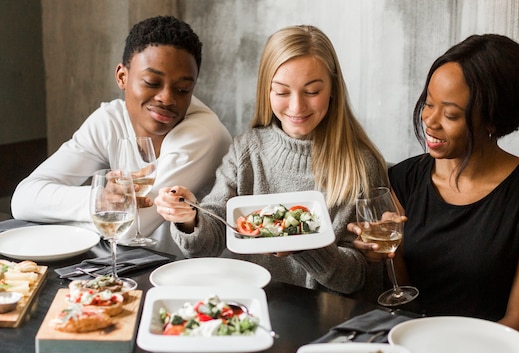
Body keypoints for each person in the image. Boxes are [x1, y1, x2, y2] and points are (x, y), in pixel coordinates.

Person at [351, 34, 519, 336]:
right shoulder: (402, 180)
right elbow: (401, 301)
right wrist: (389, 252)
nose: (430, 120)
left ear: (493, 120)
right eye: (428, 104)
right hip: (406, 340)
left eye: (451, 114)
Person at [154, 25, 388, 297]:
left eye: (312, 91)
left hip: (324, 318)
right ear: (267, 90)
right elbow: (208, 242)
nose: (297, 107)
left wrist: (303, 245)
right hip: (252, 305)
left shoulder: (359, 165)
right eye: (282, 92)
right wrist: (189, 218)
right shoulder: (247, 149)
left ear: (333, 89)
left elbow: (358, 279)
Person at [11, 16, 232, 236]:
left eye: (183, 89)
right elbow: (23, 200)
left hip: (188, 268)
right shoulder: (109, 120)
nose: (167, 98)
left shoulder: (205, 134)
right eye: (152, 83)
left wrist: (86, 215)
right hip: (128, 266)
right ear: (122, 77)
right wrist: (100, 199)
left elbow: (130, 229)